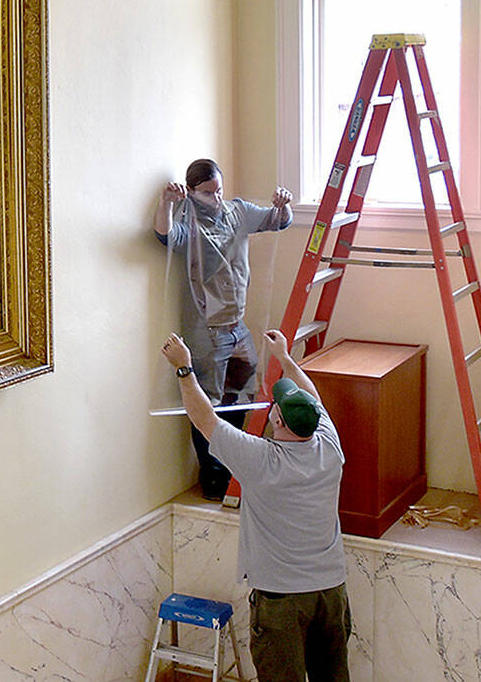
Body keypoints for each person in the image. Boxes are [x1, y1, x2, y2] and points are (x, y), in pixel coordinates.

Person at [161, 328, 351, 682]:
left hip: (281, 602)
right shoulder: (328, 445)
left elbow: (205, 419)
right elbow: (314, 398)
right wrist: (285, 358)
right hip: (331, 593)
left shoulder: (261, 461)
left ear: (276, 420)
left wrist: (184, 368)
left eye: (276, 405)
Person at [153, 158, 293, 500]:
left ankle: (237, 465)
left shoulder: (237, 212)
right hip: (207, 331)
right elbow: (165, 235)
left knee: (242, 397)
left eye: (219, 190)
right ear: (192, 193)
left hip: (238, 325)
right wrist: (166, 204)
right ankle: (214, 481)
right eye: (207, 193)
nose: (216, 198)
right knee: (209, 405)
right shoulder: (189, 223)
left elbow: (278, 222)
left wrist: (283, 205)